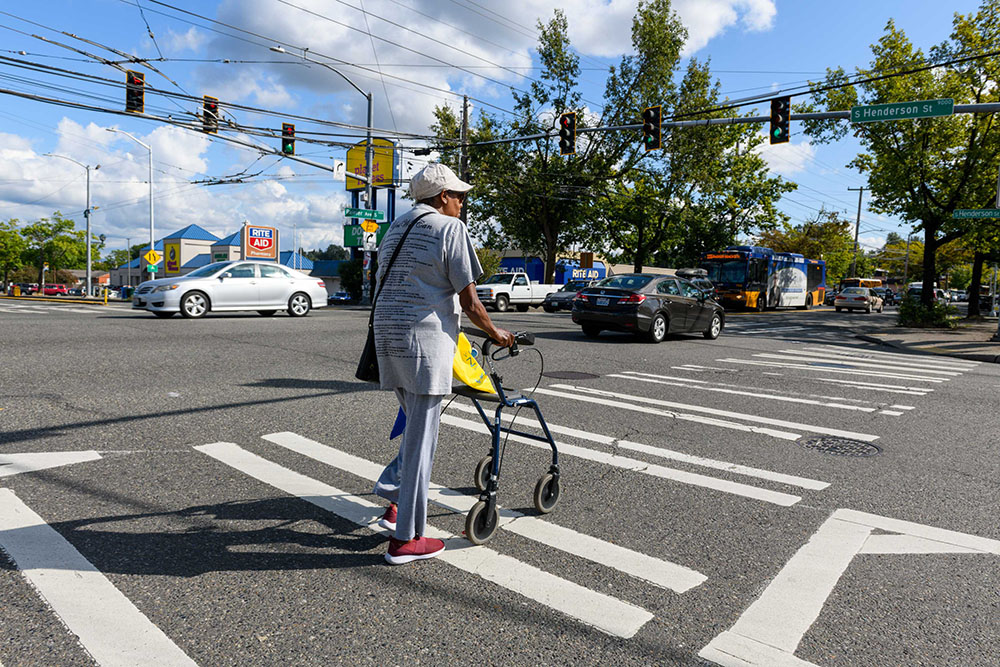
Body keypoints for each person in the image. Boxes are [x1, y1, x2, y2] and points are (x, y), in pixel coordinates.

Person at [372, 163, 514, 566]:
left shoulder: (396, 227)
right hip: (423, 344)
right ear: (441, 198)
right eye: (458, 195)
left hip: (387, 337)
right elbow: (469, 301)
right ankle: (405, 541)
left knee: (416, 430)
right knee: (422, 442)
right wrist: (496, 333)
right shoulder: (450, 229)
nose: (462, 202)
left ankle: (397, 503)